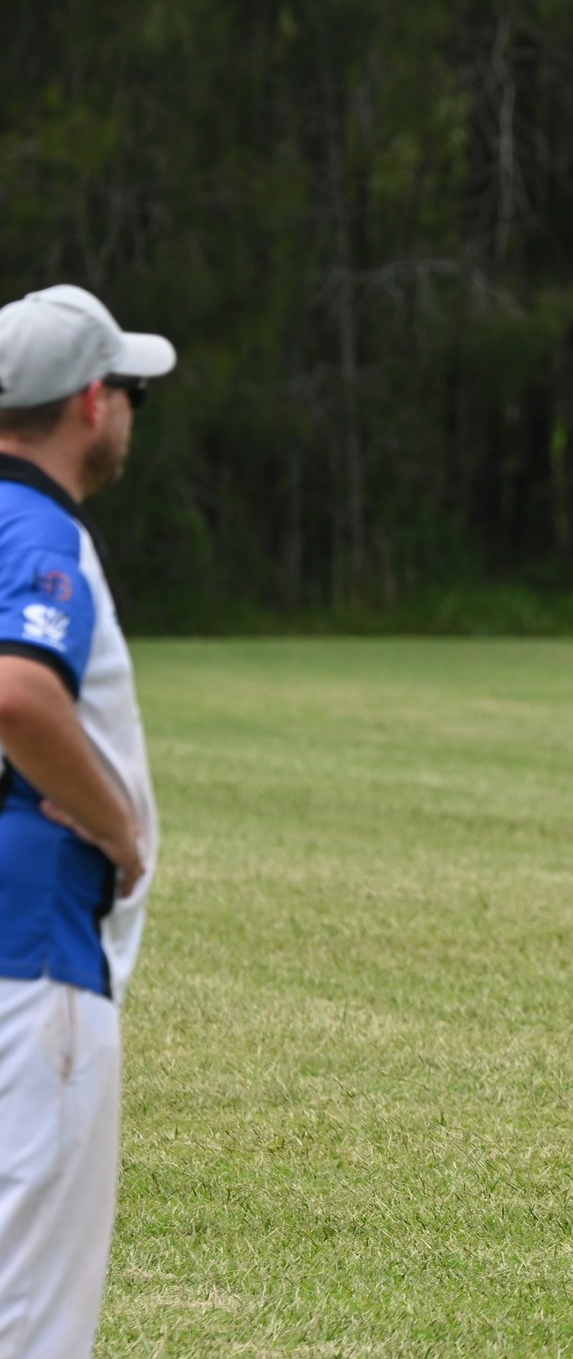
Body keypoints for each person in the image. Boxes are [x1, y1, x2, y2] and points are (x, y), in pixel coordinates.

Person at [0, 285, 174, 1356]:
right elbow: (20, 693)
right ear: (92, 402)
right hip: (33, 954)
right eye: (130, 392)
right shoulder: (36, 528)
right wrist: (118, 827)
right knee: (30, 1320)